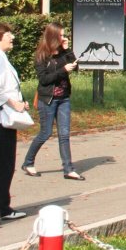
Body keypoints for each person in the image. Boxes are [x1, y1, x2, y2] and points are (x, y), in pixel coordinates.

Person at [21, 23, 84, 180]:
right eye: (61, 35)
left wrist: (68, 50)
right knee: (45, 133)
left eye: (64, 35)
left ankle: (68, 169)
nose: (64, 38)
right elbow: (44, 79)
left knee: (64, 134)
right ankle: (28, 162)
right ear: (53, 36)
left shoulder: (63, 52)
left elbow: (76, 67)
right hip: (47, 99)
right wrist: (63, 70)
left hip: (63, 98)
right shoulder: (42, 56)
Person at [0, 23, 29, 220]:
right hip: (1, 119)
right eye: (7, 34)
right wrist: (14, 103)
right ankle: (0, 207)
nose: (12, 37)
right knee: (4, 164)